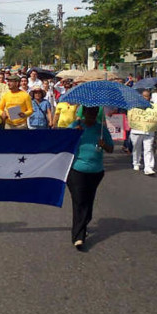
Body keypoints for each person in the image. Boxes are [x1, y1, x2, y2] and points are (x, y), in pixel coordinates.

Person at [67, 106, 113, 250]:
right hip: (76, 170)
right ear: (84, 113)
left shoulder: (101, 129)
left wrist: (103, 144)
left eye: (94, 113)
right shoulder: (76, 126)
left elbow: (110, 149)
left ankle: (84, 222)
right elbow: (62, 142)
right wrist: (73, 135)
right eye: (89, 112)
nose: (91, 115)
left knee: (88, 200)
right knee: (79, 201)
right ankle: (78, 236)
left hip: (96, 171)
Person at [130, 90, 157, 176]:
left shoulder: (154, 107)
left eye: (147, 96)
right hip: (136, 131)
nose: (145, 98)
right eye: (144, 96)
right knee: (136, 148)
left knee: (148, 149)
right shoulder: (134, 106)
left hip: (148, 131)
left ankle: (148, 167)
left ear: (150, 97)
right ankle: (136, 162)